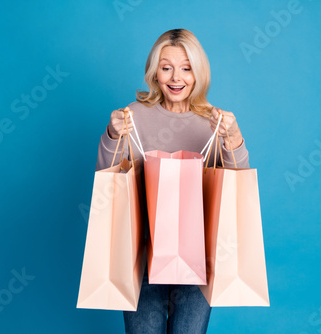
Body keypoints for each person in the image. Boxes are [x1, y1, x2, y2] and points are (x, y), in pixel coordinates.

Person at [95, 29, 250, 334]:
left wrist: (233, 138)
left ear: (198, 73)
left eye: (186, 68)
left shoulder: (214, 122)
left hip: (198, 256)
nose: (176, 78)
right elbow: (106, 176)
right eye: (166, 67)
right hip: (140, 253)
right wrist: (113, 134)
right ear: (155, 72)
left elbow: (237, 182)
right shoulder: (133, 116)